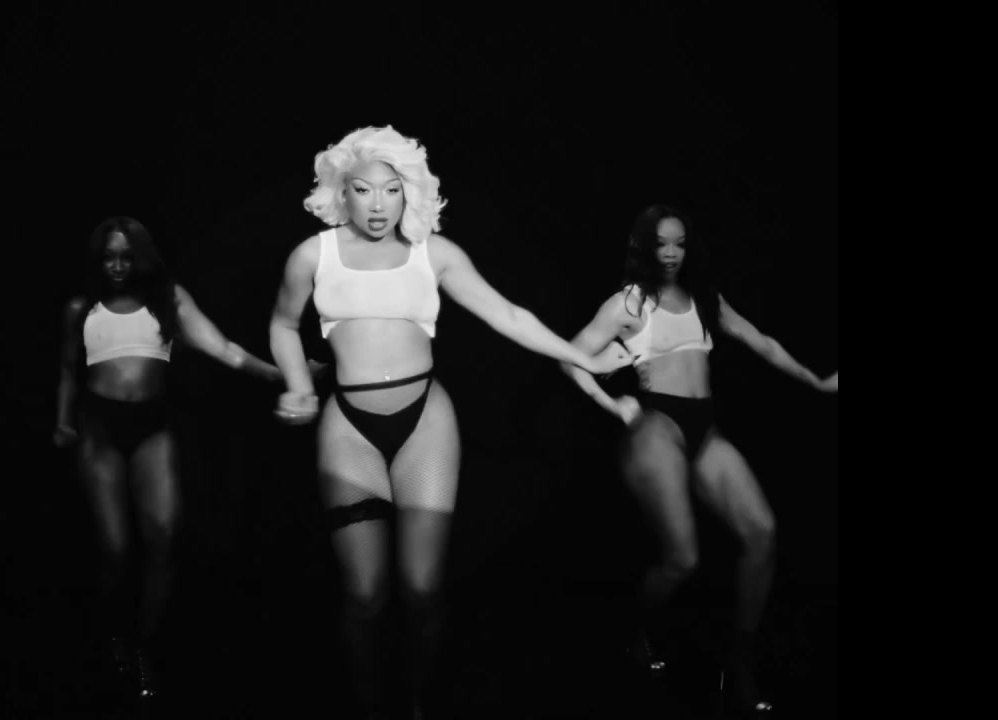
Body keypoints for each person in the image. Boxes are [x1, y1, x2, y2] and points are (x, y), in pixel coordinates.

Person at [268, 126, 632, 718]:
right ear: (342, 191)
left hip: (425, 423)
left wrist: (583, 358)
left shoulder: (433, 253)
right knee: (364, 595)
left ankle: (417, 703)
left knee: (421, 589)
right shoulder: (314, 255)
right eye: (364, 190)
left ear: (409, 191)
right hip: (348, 426)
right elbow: (283, 325)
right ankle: (367, 706)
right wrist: (297, 384)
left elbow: (508, 314)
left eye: (391, 190)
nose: (379, 204)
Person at [562, 204, 838, 716]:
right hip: (656, 426)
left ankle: (741, 661)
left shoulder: (705, 298)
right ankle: (637, 631)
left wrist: (818, 382)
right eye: (661, 243)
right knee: (682, 558)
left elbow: (761, 342)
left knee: (762, 533)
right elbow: (569, 355)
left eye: (680, 242)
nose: (670, 252)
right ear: (644, 246)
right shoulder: (629, 302)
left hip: (704, 429)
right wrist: (611, 404)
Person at [53, 216, 282, 699]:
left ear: (142, 257)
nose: (117, 266)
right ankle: (111, 641)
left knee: (164, 536)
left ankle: (145, 645)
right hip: (99, 429)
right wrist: (63, 421)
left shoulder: (168, 300)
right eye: (108, 257)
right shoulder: (80, 308)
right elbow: (69, 370)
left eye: (126, 256)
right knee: (115, 550)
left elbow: (224, 350)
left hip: (151, 428)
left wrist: (283, 375)